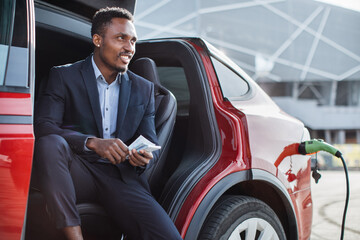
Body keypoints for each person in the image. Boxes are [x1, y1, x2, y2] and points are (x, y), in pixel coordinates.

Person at [33, 7, 182, 240]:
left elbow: (149, 138)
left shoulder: (144, 89)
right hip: (77, 170)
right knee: (50, 144)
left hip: (121, 177)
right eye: (121, 38)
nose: (129, 48)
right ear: (97, 40)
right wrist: (92, 143)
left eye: (133, 41)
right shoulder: (63, 76)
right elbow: (44, 127)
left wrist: (142, 158)